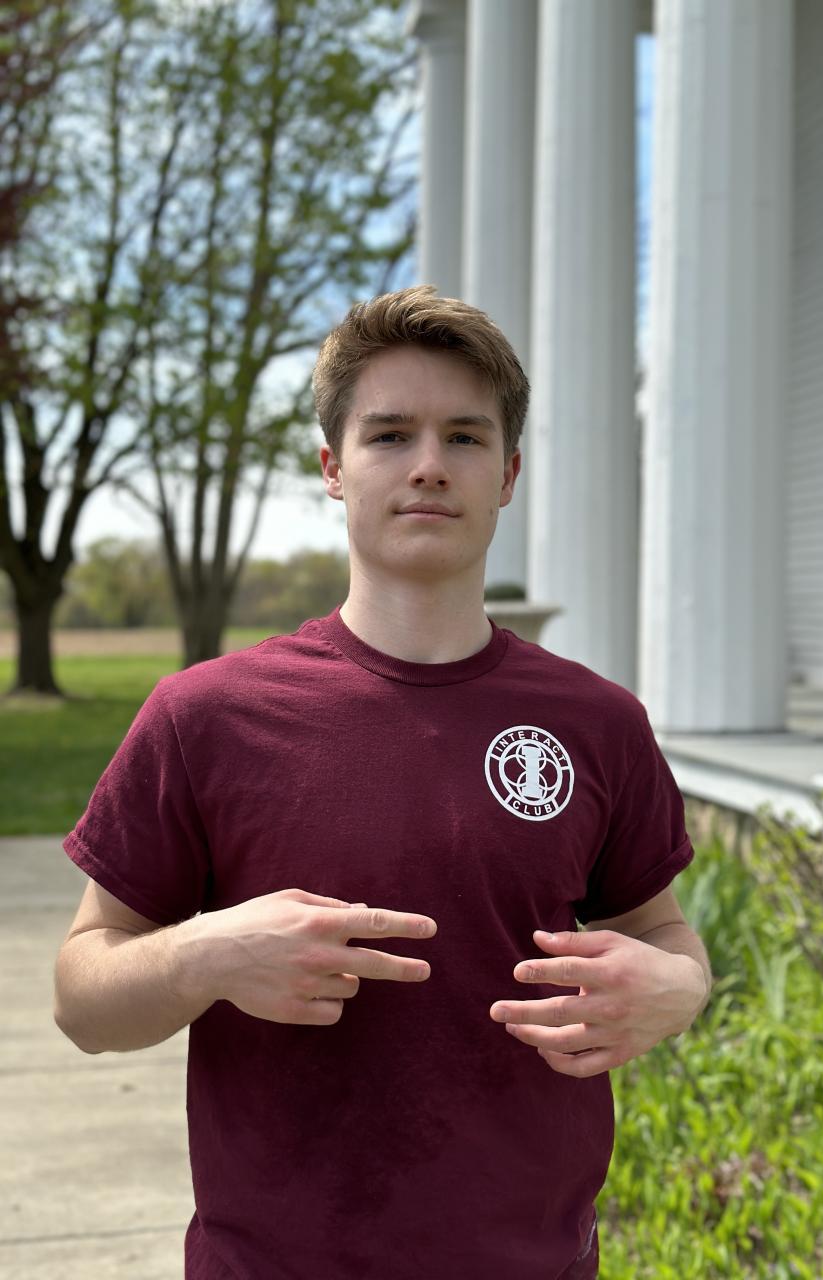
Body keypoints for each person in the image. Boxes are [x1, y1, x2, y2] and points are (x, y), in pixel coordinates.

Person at [54, 285, 711, 1280]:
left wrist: (682, 985)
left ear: (508, 474)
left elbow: (661, 930)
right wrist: (208, 953)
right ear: (333, 466)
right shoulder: (205, 716)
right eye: (390, 434)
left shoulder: (598, 721)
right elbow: (81, 997)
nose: (429, 464)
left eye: (465, 436)